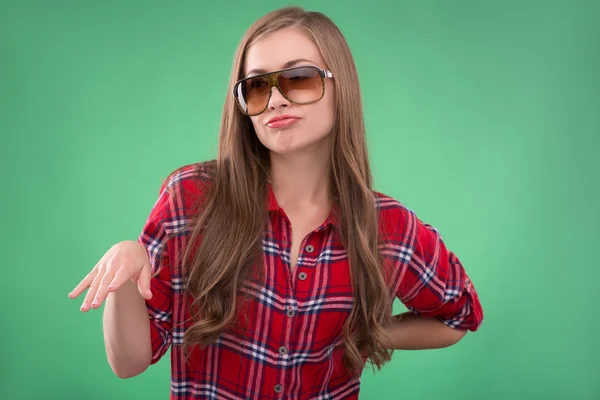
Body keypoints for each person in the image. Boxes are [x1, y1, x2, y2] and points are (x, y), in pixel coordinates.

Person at [69, 6, 484, 400]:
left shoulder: (388, 228)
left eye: (299, 78)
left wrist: (363, 331)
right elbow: (128, 363)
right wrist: (124, 275)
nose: (276, 100)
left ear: (342, 87)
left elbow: (458, 317)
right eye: (256, 85)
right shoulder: (191, 199)